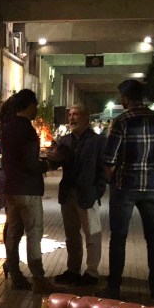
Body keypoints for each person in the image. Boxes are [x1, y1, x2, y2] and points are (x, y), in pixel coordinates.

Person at [101, 79, 154, 302]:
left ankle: (114, 288)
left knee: (118, 237)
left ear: (125, 98)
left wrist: (111, 178)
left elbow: (108, 158)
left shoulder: (122, 121)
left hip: (124, 187)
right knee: (153, 238)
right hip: (151, 189)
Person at [0, 90, 56, 294]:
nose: (37, 109)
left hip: (11, 188)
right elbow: (31, 163)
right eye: (36, 105)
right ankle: (38, 278)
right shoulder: (27, 130)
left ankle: (15, 273)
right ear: (29, 105)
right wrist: (49, 164)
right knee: (34, 233)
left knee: (13, 233)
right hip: (28, 189)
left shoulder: (7, 127)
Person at [51, 104, 106, 287]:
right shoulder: (64, 140)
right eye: (70, 115)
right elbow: (55, 163)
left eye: (76, 114)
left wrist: (97, 191)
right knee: (72, 235)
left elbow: (104, 169)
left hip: (88, 194)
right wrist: (51, 157)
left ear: (86, 118)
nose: (72, 118)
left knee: (92, 234)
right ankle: (73, 270)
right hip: (68, 194)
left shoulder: (98, 141)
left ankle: (92, 272)